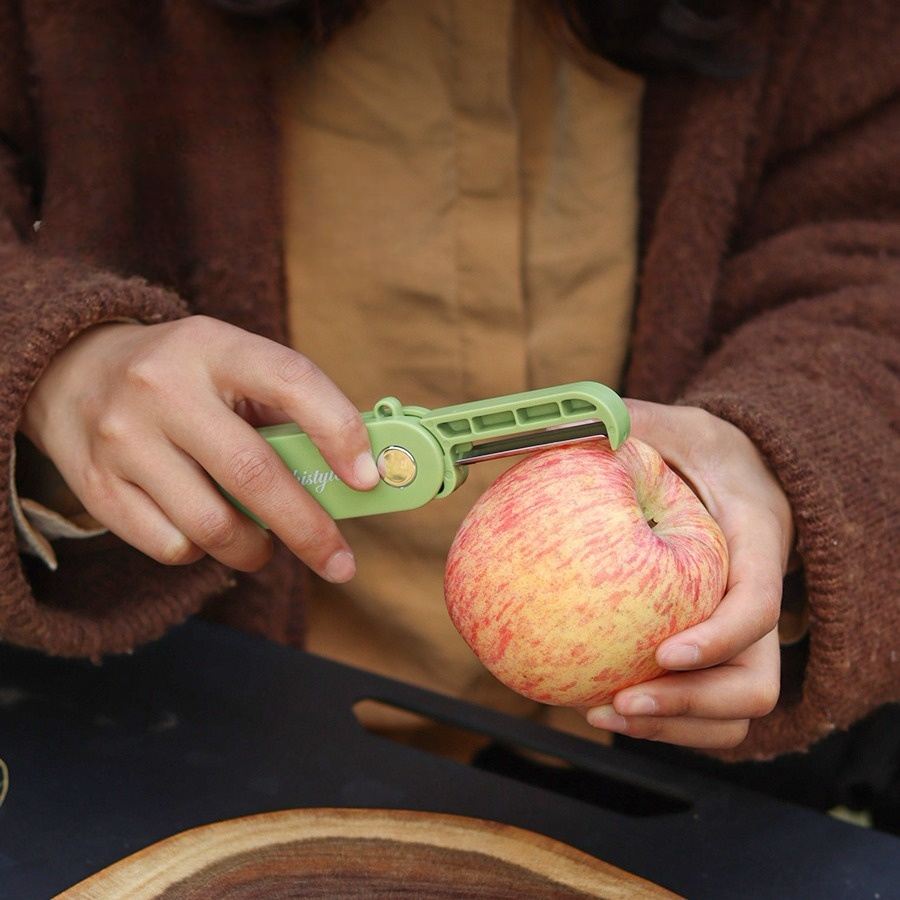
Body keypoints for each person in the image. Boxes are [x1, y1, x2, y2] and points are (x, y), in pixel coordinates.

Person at [0, 0, 897, 770]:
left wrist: (788, 452)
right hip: (153, 733)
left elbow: (866, 240)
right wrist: (53, 357)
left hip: (630, 785)